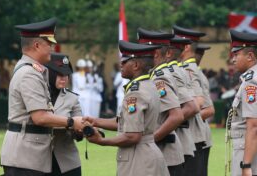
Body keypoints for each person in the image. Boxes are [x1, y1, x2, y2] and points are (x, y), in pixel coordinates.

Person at [0, 18, 84, 176]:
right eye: (49, 44)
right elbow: (40, 117)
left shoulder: (34, 71)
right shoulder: (29, 74)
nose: (52, 48)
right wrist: (72, 122)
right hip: (24, 157)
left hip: (29, 156)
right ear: (36, 45)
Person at [84, 40, 169, 176]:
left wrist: (102, 141)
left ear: (135, 65)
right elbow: (124, 123)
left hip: (138, 159)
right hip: (147, 155)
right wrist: (95, 121)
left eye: (124, 62)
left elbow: (132, 136)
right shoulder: (149, 84)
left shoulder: (136, 92)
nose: (120, 65)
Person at [137, 28, 187, 176]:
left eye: (143, 52)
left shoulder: (159, 78)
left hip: (166, 155)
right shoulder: (157, 75)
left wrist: (150, 141)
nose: (140, 57)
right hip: (163, 154)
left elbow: (176, 116)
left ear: (156, 54)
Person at [228, 30, 257, 176]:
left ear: (250, 56)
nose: (233, 59)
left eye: (236, 54)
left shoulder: (253, 82)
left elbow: (254, 126)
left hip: (255, 161)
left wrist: (246, 165)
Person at [173, 25, 207, 176]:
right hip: (191, 136)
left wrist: (171, 118)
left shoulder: (188, 70)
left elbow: (199, 103)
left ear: (185, 47)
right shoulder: (187, 69)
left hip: (191, 136)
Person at [45, 52, 82, 176]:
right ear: (49, 73)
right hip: (39, 161)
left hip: (67, 162)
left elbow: (79, 126)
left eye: (66, 75)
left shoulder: (72, 98)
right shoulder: (37, 94)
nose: (64, 78)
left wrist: (80, 131)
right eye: (59, 74)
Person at [195, 43, 215, 176]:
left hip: (197, 138)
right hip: (194, 137)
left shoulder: (196, 75)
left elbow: (209, 110)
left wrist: (178, 120)